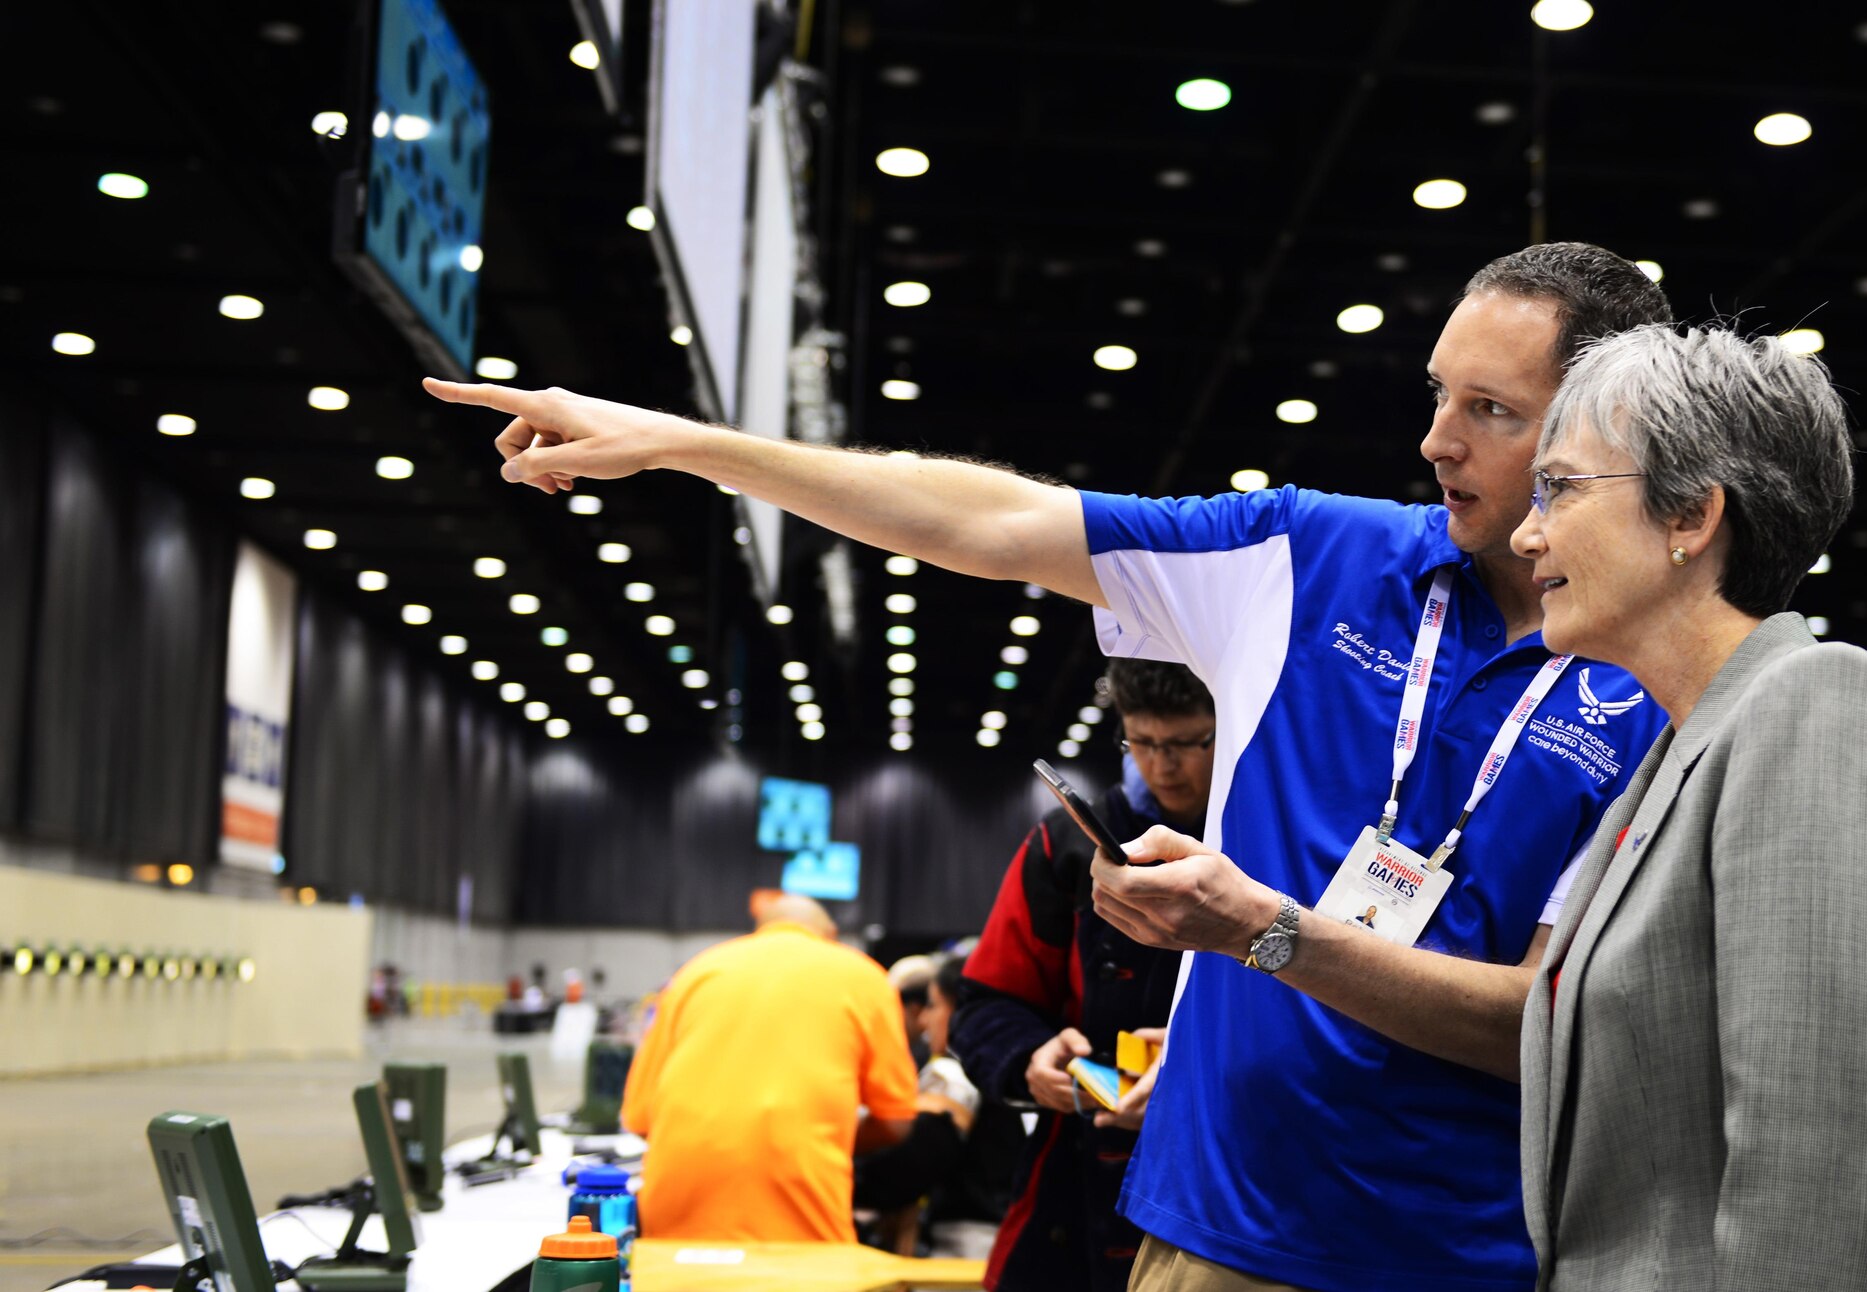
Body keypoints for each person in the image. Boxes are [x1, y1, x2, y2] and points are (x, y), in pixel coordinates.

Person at [427, 242, 1673, 1291]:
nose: (1435, 440)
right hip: (1209, 1235)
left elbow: (1569, 1032)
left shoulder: (1657, 687)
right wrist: (688, 445)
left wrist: (1270, 934)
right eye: (1436, 393)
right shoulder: (1314, 556)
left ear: (1603, 433)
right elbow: (991, 522)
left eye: (1488, 412)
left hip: (1457, 1257)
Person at [1499, 324, 1867, 1289]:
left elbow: (1818, 1193)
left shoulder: (1822, 705)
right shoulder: (1681, 751)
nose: (1526, 531)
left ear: (1690, 516)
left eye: (1561, 486)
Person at [951, 659, 1210, 1292]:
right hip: (1072, 1195)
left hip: (1223, 1182)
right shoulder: (1065, 847)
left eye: (1183, 743)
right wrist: (1026, 1057)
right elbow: (984, 1005)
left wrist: (1195, 1069)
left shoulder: (1275, 838)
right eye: (1141, 742)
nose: (1162, 764)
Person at [619, 893, 917, 1242]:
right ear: (831, 933)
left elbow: (639, 1119)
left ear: (759, 930)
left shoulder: (696, 972)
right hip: (800, 1217)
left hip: (676, 1218)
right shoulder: (863, 976)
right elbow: (897, 1121)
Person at [856, 955, 1028, 1260]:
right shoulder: (1004, 1067)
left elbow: (916, 1160)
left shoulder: (955, 1072)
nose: (924, 1020)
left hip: (963, 1248)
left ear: (961, 1010)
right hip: (999, 1240)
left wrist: (845, 1182)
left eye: (933, 1006)